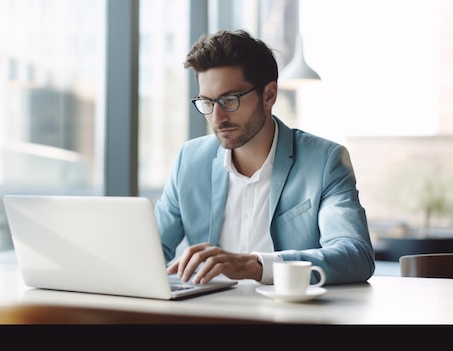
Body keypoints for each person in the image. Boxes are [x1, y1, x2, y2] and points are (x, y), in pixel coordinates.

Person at [154, 29, 375, 286]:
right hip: (206, 314)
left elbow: (355, 255)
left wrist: (256, 265)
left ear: (269, 95)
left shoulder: (324, 161)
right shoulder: (190, 161)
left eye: (229, 100)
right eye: (207, 102)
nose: (217, 118)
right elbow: (152, 247)